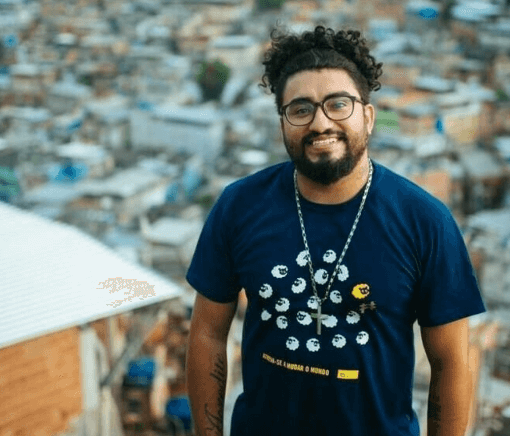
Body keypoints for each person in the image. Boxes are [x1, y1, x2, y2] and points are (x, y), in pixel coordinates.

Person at [186, 25, 485, 436]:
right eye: (301, 108)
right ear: (282, 123)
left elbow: (452, 363)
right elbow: (206, 333)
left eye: (338, 104)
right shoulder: (239, 206)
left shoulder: (425, 222)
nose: (320, 122)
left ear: (369, 115)